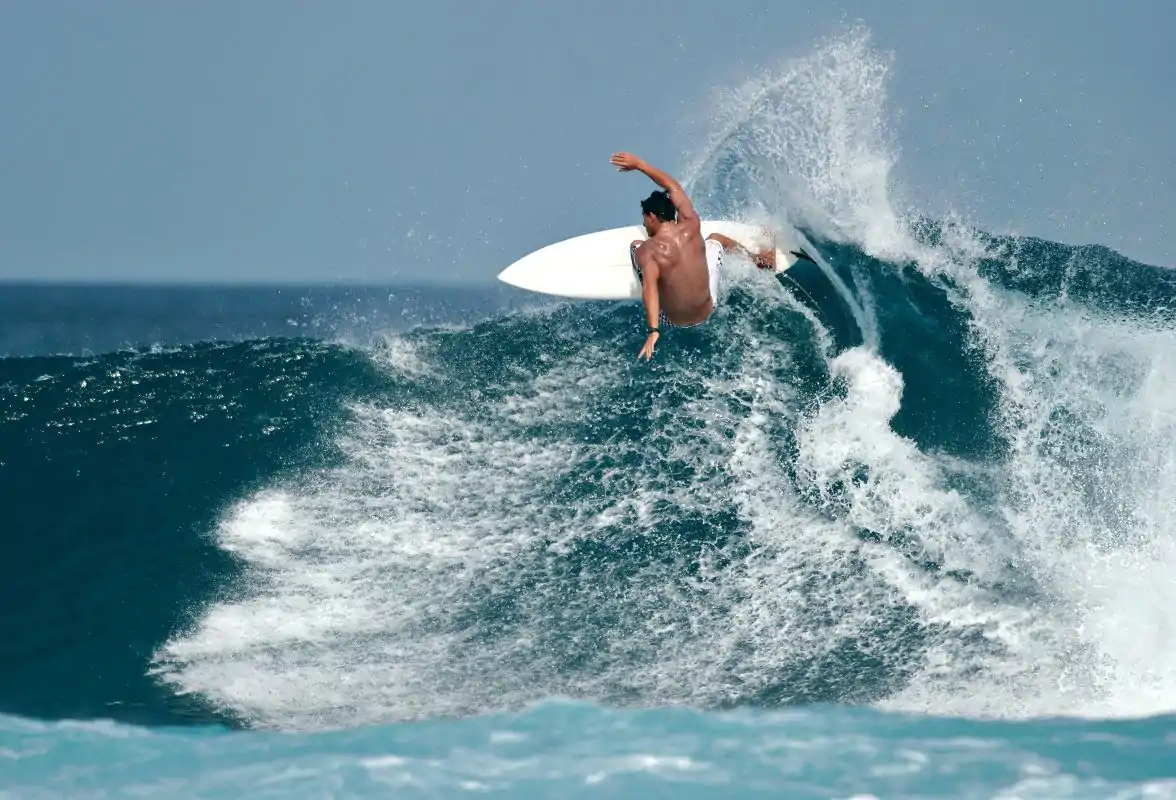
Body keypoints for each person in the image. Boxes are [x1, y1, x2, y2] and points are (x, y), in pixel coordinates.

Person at [611, 152, 777, 360]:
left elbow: (649, 290)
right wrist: (640, 165)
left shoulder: (649, 251)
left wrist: (653, 331)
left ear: (653, 217)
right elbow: (673, 188)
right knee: (716, 238)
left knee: (636, 246)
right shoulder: (691, 223)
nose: (644, 224)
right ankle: (761, 260)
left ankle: (652, 273)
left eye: (644, 219)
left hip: (673, 321)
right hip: (710, 306)